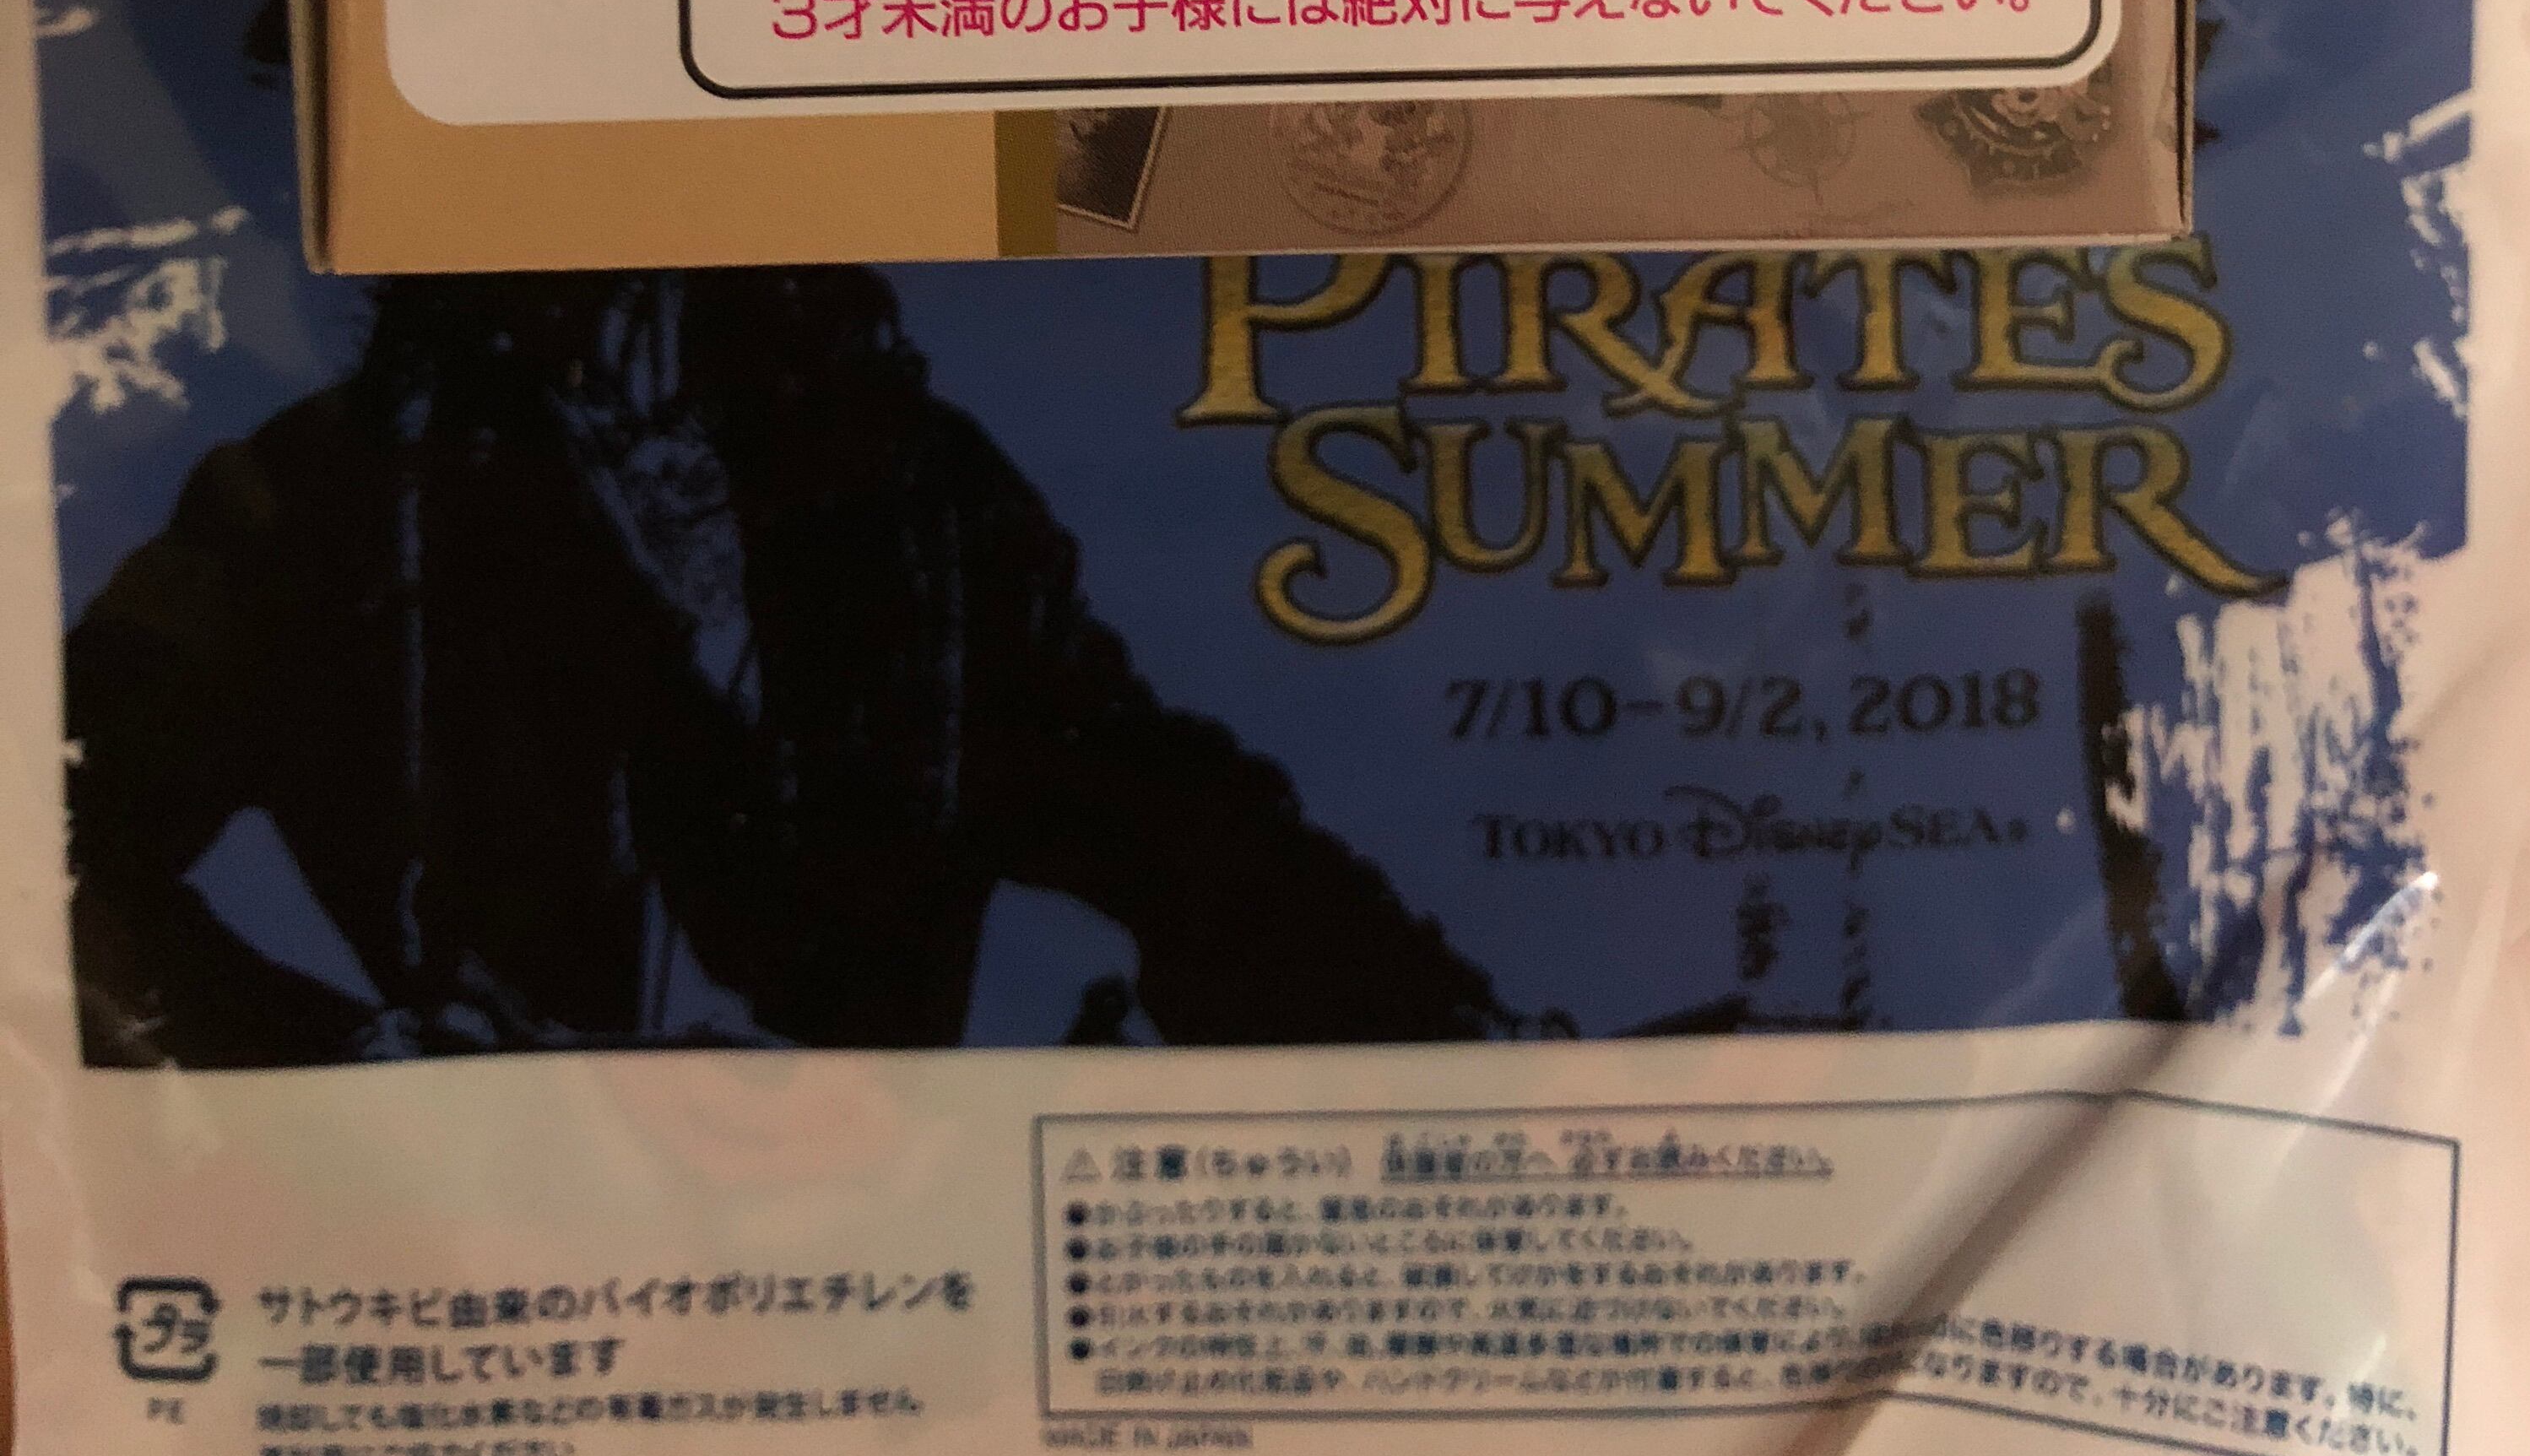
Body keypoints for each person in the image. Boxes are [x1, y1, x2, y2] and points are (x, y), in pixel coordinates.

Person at [66, 263, 1514, 1064]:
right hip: (478, 1253)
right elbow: (49, 851)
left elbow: (1165, 813)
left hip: (874, 1267)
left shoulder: (914, 497)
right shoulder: (314, 502)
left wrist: (1455, 1038)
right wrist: (335, 1075)